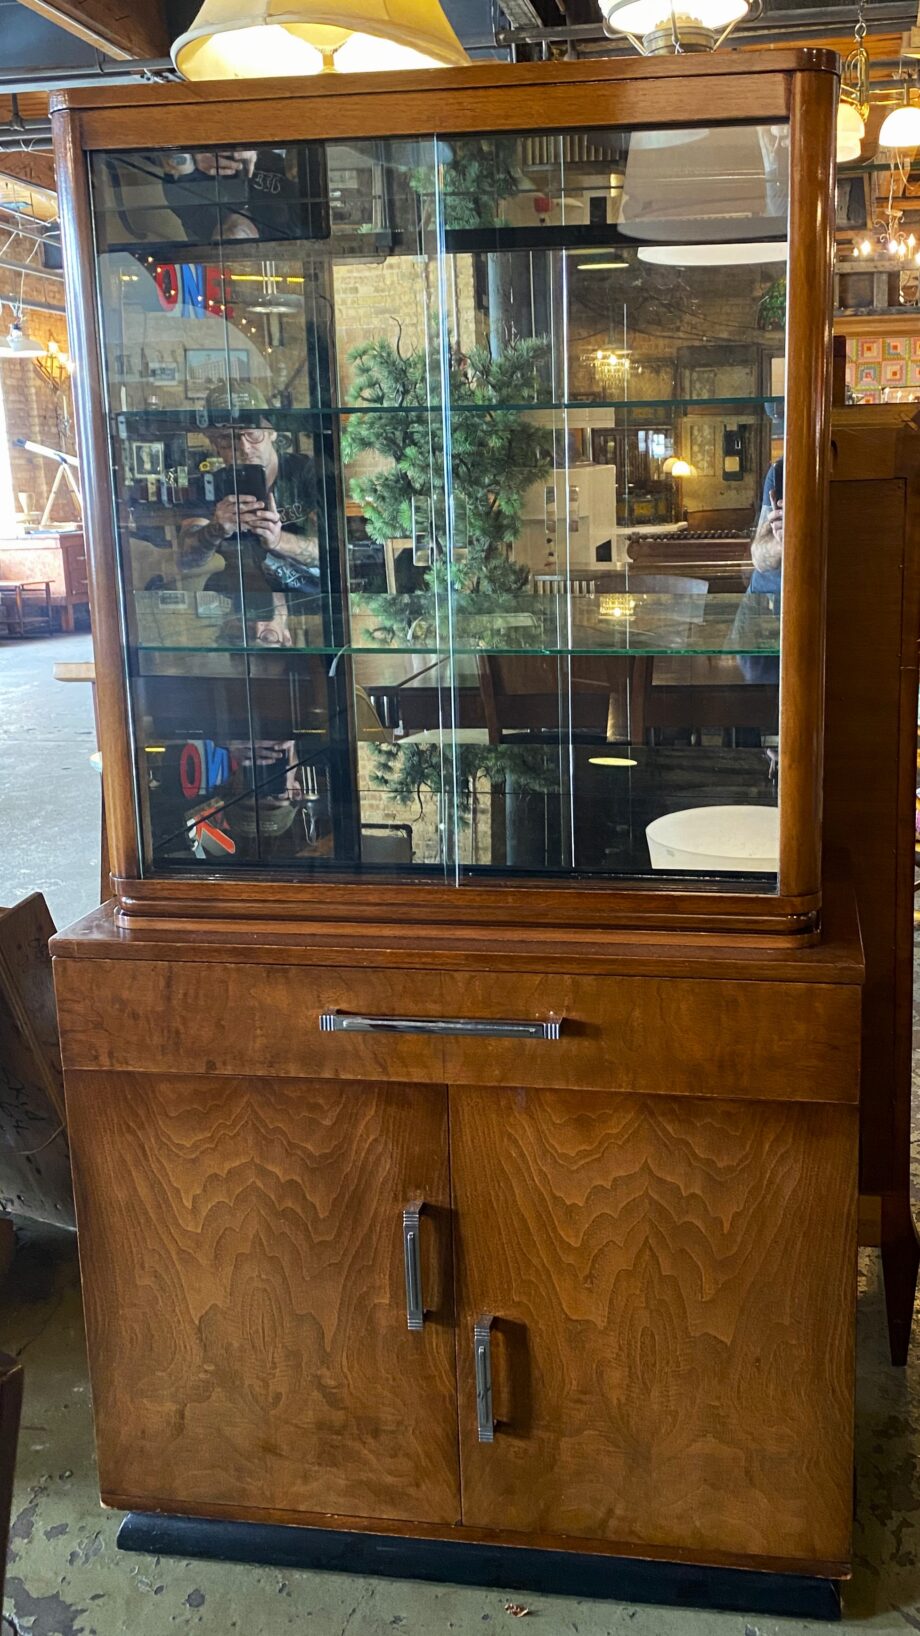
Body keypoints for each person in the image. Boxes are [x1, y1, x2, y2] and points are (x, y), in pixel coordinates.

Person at [178, 385, 319, 646]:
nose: (243, 447)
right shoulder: (209, 486)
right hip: (240, 607)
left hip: (309, 602)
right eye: (226, 439)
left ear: (272, 431)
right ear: (214, 445)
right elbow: (187, 558)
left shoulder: (308, 474)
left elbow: (334, 552)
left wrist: (279, 541)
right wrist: (217, 529)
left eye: (251, 433)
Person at [732, 457, 783, 686]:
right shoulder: (781, 472)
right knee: (753, 673)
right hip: (767, 603)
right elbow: (759, 558)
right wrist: (781, 542)